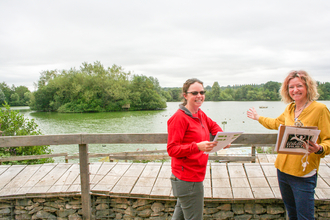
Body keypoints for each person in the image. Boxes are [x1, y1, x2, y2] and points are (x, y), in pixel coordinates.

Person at [247, 70, 330, 220]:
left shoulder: (320, 109)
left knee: (305, 217)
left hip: (303, 173)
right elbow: (275, 123)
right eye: (291, 87)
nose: (295, 90)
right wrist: (258, 117)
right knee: (291, 214)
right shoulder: (290, 108)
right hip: (283, 170)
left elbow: (328, 140)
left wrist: (319, 149)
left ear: (308, 87)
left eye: (299, 86)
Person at [167, 78, 225, 220]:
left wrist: (223, 139)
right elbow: (172, 149)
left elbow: (214, 126)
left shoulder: (200, 114)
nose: (199, 95)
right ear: (185, 95)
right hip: (187, 178)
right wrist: (197, 147)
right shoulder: (179, 118)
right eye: (194, 93)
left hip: (192, 177)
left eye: (202, 92)